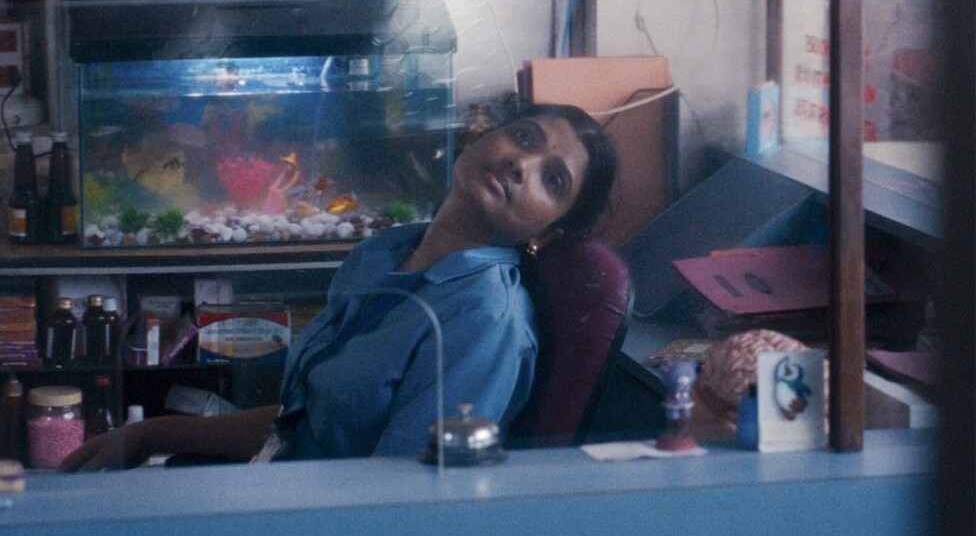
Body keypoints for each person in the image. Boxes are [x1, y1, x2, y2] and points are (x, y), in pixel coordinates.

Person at [59, 102, 617, 471]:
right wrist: (150, 434)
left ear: (548, 232)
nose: (521, 163)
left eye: (552, 179)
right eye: (523, 137)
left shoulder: (484, 320)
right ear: (482, 135)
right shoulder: (389, 251)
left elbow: (402, 505)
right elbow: (301, 427)